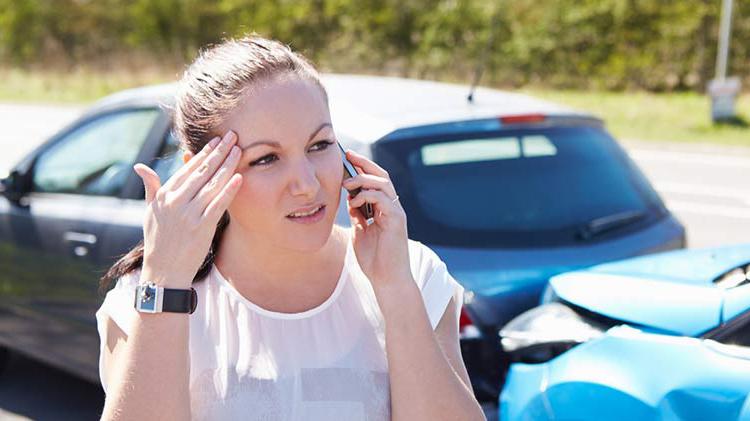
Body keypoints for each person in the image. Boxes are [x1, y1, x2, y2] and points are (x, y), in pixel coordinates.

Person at [95, 34, 485, 421]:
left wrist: (395, 287)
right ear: (201, 171)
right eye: (266, 159)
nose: (308, 184)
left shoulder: (413, 273)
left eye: (319, 145)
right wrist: (165, 283)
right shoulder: (144, 298)